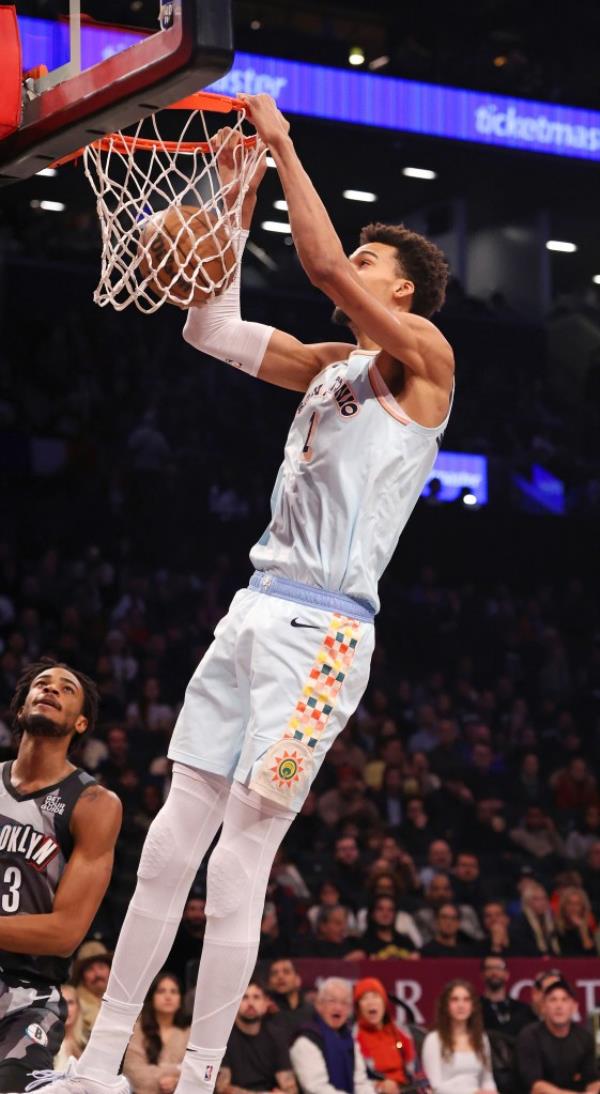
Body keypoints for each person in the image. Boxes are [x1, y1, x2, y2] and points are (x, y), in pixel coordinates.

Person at [45, 91, 453, 1094]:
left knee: (241, 857)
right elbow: (209, 328)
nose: (349, 272)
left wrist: (282, 145)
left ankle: (199, 1076)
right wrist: (233, 194)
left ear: (402, 295)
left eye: (370, 265)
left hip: (325, 631)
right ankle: (99, 1065)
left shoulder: (427, 366)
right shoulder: (326, 365)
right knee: (173, 835)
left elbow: (317, 263)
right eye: (355, 259)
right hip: (255, 605)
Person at [0, 659, 121, 1093]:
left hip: (25, 994)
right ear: (21, 708)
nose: (51, 689)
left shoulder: (92, 803)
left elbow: (65, 933)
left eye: (67, 689)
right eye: (42, 684)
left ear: (81, 721)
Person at [290, 978, 377, 1094]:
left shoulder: (349, 1040)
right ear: (318, 1005)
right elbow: (316, 1088)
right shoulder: (305, 1042)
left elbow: (360, 1082)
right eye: (332, 1001)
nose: (338, 1008)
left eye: (344, 1003)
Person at [515, 978, 600, 1093]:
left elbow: (593, 1080)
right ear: (543, 1007)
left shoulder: (585, 1037)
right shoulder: (529, 1036)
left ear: (574, 1007)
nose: (559, 1006)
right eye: (553, 1000)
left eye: (564, 1000)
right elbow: (535, 1086)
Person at [216, 982, 297, 1094]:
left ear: (266, 1004)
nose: (250, 1003)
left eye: (256, 997)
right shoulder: (222, 1037)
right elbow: (222, 1088)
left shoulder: (277, 1035)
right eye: (244, 997)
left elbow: (290, 1086)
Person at [421, 979, 497, 1093]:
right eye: (454, 1000)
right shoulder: (434, 1040)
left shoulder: (481, 1038)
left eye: (466, 1000)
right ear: (446, 1005)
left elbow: (487, 1080)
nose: (461, 1005)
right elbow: (434, 1087)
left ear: (473, 1005)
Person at [123, 973, 190, 1094]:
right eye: (161, 991)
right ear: (152, 997)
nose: (168, 997)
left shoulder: (189, 1033)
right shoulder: (136, 1030)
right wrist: (179, 1070)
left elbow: (201, 1073)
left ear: (180, 999)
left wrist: (177, 1082)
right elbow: (136, 1075)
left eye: (174, 992)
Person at [354, 977, 418, 1091]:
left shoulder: (399, 1031)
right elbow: (356, 1079)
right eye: (364, 998)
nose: (371, 1002)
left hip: (405, 1088)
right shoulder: (354, 1037)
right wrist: (379, 1086)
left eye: (375, 996)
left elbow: (415, 1068)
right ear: (358, 1007)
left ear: (384, 1002)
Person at [480, 957, 535, 1039]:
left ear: (507, 974)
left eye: (499, 968)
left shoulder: (522, 1010)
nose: (494, 972)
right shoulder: (474, 1008)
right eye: (489, 968)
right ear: (482, 975)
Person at [72, 941, 113, 1043]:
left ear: (110, 970)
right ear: (82, 977)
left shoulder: (122, 999)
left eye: (101, 967)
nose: (97, 974)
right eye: (90, 969)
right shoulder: (74, 1003)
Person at [267, 959, 314, 1037]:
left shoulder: (311, 1011)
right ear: (269, 983)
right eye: (274, 974)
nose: (280, 977)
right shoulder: (265, 1012)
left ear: (297, 980)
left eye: (286, 972)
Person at [555, 886, 598, 955]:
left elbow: (592, 958)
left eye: (577, 904)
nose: (573, 908)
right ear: (563, 906)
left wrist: (583, 932)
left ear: (583, 908)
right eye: (569, 903)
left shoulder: (586, 929)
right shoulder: (554, 928)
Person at [54, 987, 87, 1069]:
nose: (66, 1008)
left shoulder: (88, 1042)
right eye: (61, 1003)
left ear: (78, 1007)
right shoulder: (47, 1045)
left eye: (70, 1002)